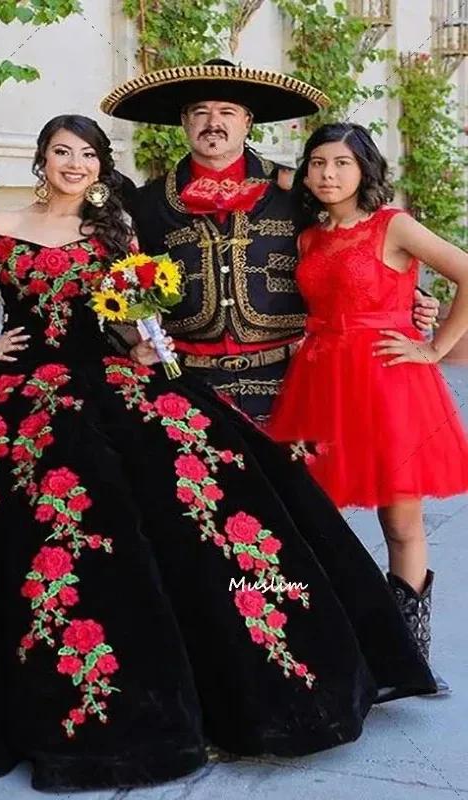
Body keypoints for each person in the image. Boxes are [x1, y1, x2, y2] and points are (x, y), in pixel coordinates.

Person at [0, 114, 436, 791]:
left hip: (109, 380)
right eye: (62, 152)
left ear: (99, 165)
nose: (74, 164)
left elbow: (131, 314)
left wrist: (141, 345)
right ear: (42, 159)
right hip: (15, 386)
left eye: (87, 155)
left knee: (193, 512)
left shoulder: (113, 233)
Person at [99, 59, 439, 426]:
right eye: (201, 113)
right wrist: (133, 343)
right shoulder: (148, 203)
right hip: (189, 383)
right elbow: (120, 285)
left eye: (227, 112)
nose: (214, 123)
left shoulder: (299, 191)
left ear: (247, 121)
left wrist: (412, 295)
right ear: (184, 121)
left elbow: (354, 241)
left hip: (290, 382)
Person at [268, 122, 468, 694]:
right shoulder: (310, 238)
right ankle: (337, 644)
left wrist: (433, 347)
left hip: (386, 383)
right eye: (318, 164)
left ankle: (409, 660)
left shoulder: (392, 225)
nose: (329, 175)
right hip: (319, 381)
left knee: (399, 518)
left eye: (342, 163)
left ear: (364, 170)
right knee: (311, 516)